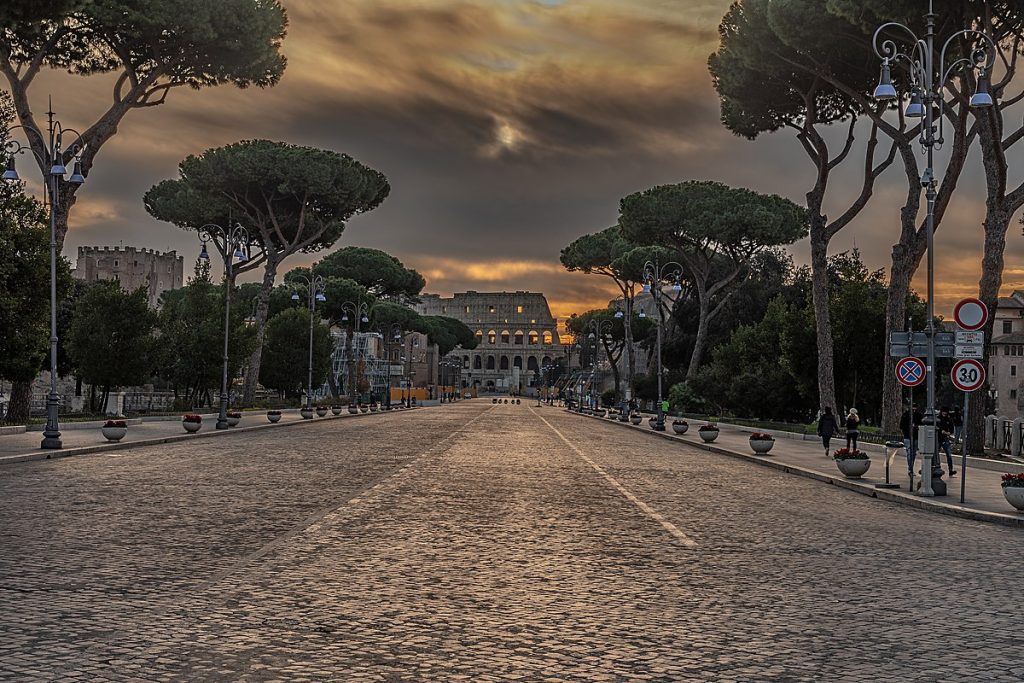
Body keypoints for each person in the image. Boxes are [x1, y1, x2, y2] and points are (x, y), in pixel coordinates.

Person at [900, 404, 920, 476]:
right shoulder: (905, 415)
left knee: (913, 453)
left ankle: (910, 467)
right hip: (907, 436)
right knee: (909, 452)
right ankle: (910, 469)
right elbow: (901, 425)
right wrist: (909, 427)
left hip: (915, 437)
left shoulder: (918, 415)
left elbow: (921, 424)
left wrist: (916, 427)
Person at [938, 407, 957, 476]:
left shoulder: (949, 419)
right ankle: (936, 467)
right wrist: (941, 431)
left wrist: (949, 432)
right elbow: (936, 427)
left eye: (945, 412)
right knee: (936, 454)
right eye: (943, 411)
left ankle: (951, 470)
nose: (944, 413)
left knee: (949, 455)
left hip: (945, 439)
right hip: (938, 438)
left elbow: (951, 429)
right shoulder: (938, 419)